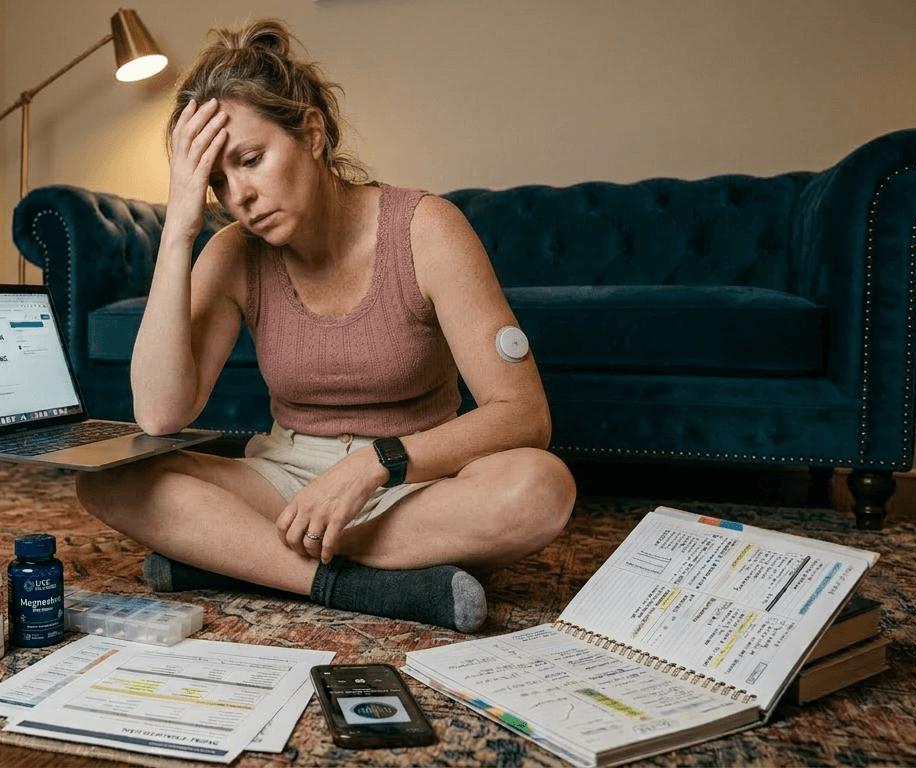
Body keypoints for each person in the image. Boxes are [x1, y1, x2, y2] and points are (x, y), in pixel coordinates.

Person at [75, 18, 576, 633]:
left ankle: (238, 559)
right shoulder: (231, 252)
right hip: (283, 481)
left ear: (312, 133)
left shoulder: (426, 229)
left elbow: (525, 414)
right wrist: (179, 229)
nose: (240, 198)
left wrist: (374, 466)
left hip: (408, 481)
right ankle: (360, 585)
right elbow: (159, 413)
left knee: (540, 489)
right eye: (217, 183)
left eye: (252, 161)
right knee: (108, 484)